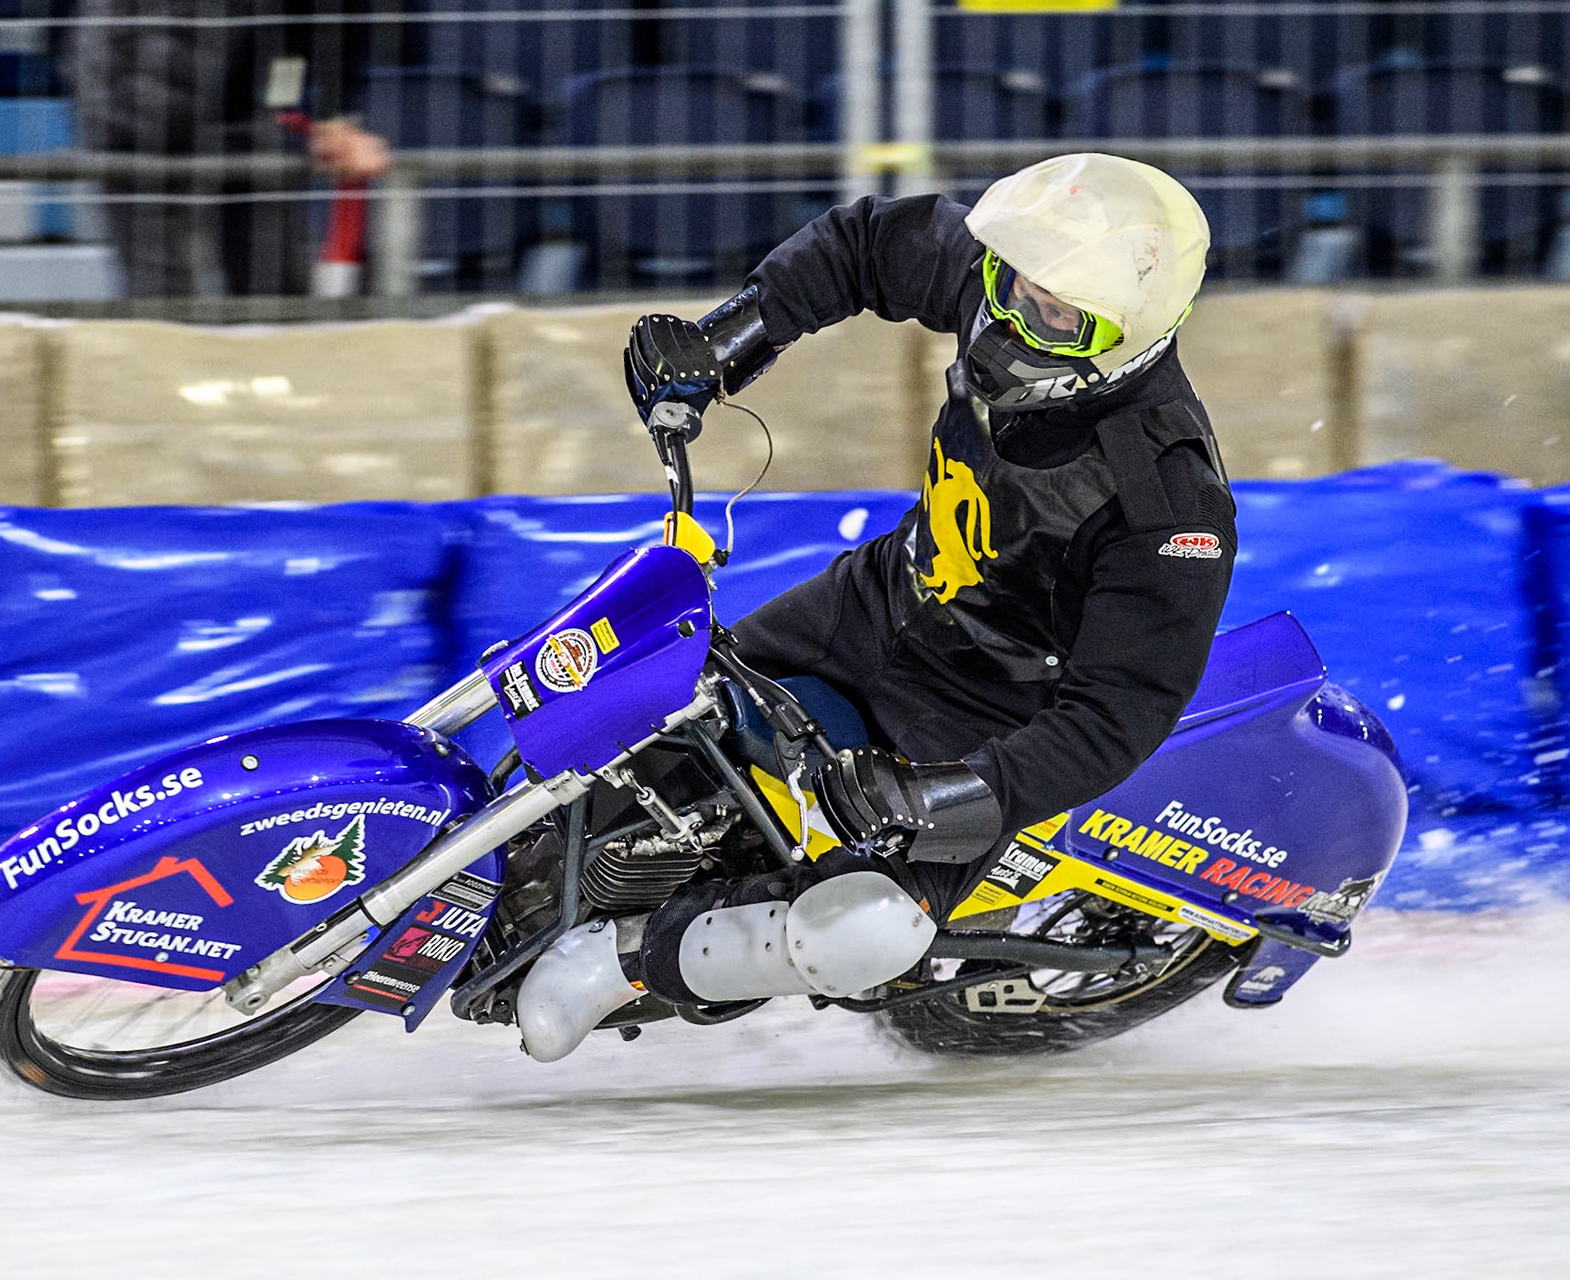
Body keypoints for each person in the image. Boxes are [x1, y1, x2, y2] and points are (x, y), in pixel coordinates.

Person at [516, 152, 1235, 1062]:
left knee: (865, 935)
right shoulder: (996, 282)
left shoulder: (1169, 504)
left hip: (980, 714)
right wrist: (731, 338)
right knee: (663, 698)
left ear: (1123, 338)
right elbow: (866, 245)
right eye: (1016, 282)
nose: (1012, 314)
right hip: (877, 602)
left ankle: (617, 964)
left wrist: (954, 793)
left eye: (1055, 313)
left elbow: (1116, 717)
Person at [73, 1, 389, 299]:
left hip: (220, 103)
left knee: (269, 294)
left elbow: (302, 29)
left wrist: (327, 114)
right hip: (139, 112)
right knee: (170, 304)